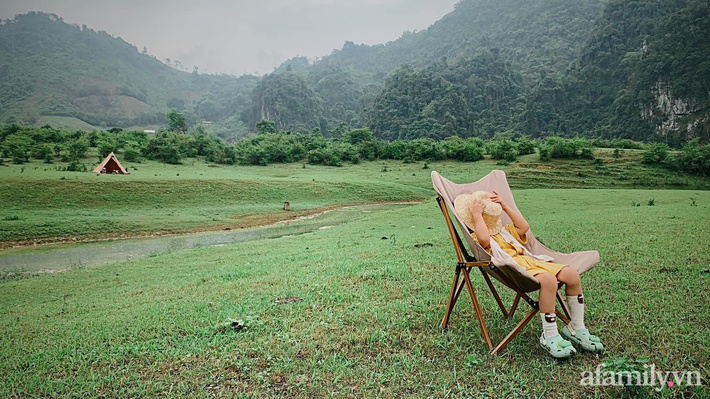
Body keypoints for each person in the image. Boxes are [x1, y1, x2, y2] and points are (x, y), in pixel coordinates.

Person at [454, 190, 603, 359]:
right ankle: (549, 335)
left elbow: (523, 227)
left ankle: (576, 326)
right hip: (514, 268)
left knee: (571, 274)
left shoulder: (505, 231)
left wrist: (504, 206)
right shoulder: (480, 237)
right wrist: (477, 215)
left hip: (532, 262)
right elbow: (484, 240)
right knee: (548, 280)